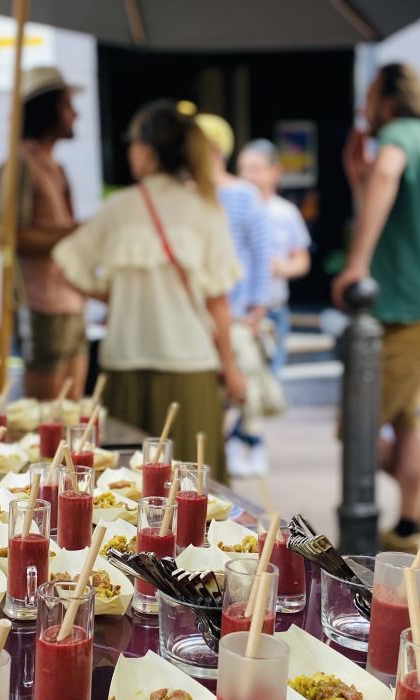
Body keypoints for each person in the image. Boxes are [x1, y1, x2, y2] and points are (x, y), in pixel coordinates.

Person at [53, 100, 244, 481]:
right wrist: (231, 367)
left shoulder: (119, 207)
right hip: (190, 369)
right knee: (195, 494)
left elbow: (65, 260)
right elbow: (218, 301)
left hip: (125, 368)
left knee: (128, 491)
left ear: (145, 151)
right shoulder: (205, 208)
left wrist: (112, 295)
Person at [331, 62, 420, 552]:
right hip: (419, 308)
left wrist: (355, 265)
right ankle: (407, 524)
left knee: (355, 430)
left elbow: (387, 174)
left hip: (405, 312)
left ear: (389, 101)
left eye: (370, 98)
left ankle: (412, 497)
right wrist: (356, 177)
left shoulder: (399, 136)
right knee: (406, 422)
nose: (364, 109)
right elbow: (391, 201)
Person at [0, 66, 86, 401]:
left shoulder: (55, 167)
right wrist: (74, 232)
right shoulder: (19, 165)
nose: (74, 114)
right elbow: (8, 237)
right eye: (66, 105)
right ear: (46, 110)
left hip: (70, 299)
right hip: (40, 303)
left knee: (73, 410)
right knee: (48, 413)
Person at [196, 113, 273, 477]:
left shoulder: (244, 195)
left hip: (237, 314)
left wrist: (257, 310)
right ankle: (214, 461)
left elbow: (261, 254)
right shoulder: (188, 194)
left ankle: (245, 447)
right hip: (196, 320)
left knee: (241, 390)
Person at [238, 138, 311, 376]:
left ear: (275, 171)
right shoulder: (229, 208)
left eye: (255, 169)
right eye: (242, 169)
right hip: (240, 311)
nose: (248, 176)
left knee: (270, 381)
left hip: (274, 308)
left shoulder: (285, 212)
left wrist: (281, 268)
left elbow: (302, 260)